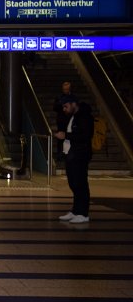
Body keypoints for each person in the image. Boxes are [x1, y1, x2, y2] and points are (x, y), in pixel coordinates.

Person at [55, 94, 93, 225]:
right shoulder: (73, 116)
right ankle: (76, 211)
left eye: (66, 106)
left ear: (73, 104)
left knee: (80, 183)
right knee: (73, 183)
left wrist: (66, 135)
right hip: (71, 154)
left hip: (80, 155)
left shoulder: (85, 116)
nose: (64, 109)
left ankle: (83, 213)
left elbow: (86, 135)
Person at [53, 81, 73, 166]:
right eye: (64, 89)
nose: (65, 90)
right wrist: (61, 104)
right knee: (60, 138)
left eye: (67, 89)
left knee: (69, 138)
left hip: (70, 121)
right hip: (61, 121)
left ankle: (67, 155)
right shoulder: (59, 97)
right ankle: (60, 155)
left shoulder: (73, 97)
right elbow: (55, 107)